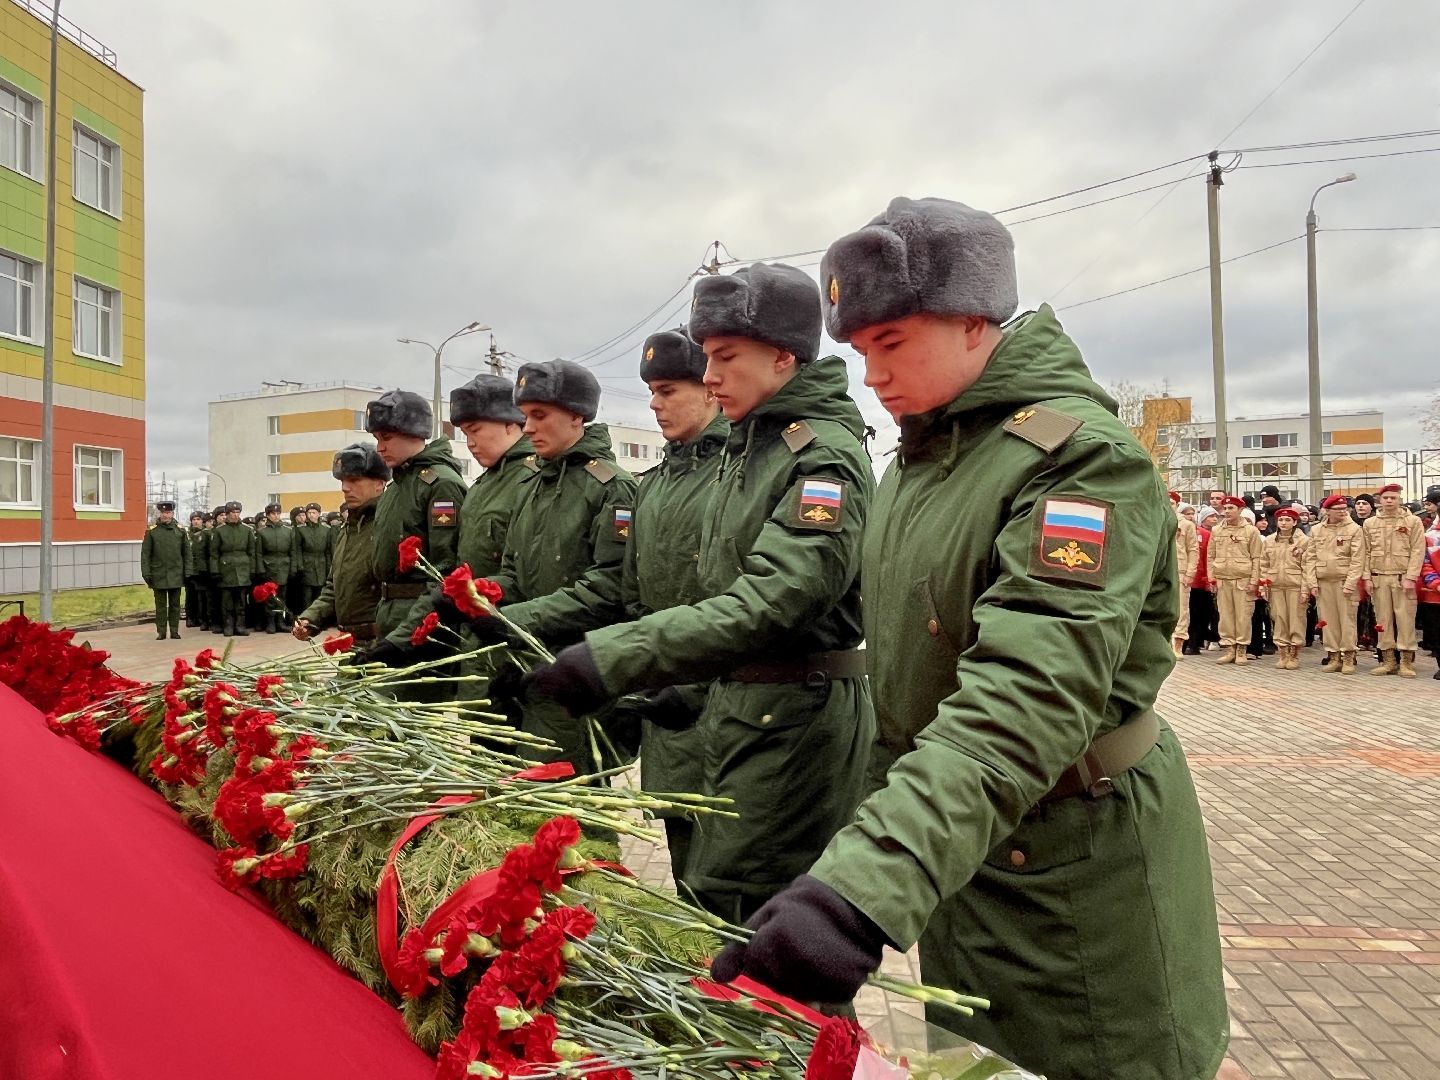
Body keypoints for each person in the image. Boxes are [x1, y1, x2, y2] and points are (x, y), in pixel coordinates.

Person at [707, 199, 1225, 1079]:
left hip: (1071, 871)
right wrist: (853, 864)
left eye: (894, 343)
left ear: (975, 321)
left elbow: (1027, 694)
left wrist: (861, 895)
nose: (871, 373)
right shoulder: (921, 465)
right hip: (967, 862)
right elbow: (905, 690)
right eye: (861, 349)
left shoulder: (1076, 462)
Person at [521, 263, 877, 925]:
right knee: (718, 905)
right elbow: (712, 590)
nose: (709, 376)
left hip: (792, 718)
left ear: (782, 355)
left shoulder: (818, 456)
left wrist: (614, 658)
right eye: (706, 358)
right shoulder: (754, 451)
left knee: (759, 923)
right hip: (741, 708)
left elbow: (775, 600)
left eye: (724, 357)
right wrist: (669, 696)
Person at [470, 360, 638, 772]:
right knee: (511, 799)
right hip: (521, 666)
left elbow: (608, 589)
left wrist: (510, 620)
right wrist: (475, 598)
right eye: (525, 417)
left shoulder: (613, 488)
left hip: (573, 675)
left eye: (539, 416)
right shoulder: (532, 486)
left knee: (567, 807)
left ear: (577, 415)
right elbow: (512, 570)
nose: (527, 428)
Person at [616, 327, 728, 888]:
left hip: (728, 704)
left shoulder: (738, 471)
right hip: (669, 703)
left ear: (710, 389)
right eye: (651, 393)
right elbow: (637, 590)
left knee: (732, 886)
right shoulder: (654, 486)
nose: (656, 405)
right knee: (685, 872)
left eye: (668, 391)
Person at [383, 373, 536, 689]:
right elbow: (459, 572)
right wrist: (402, 640)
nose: (471, 443)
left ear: (511, 423)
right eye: (465, 433)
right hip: (478, 640)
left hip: (517, 638)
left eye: (476, 430)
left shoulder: (533, 479)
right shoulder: (483, 487)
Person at [357, 390, 467, 677]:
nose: (380, 447)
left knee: (418, 707)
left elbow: (446, 568)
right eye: (377, 439)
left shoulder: (440, 484)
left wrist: (404, 636)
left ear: (414, 432)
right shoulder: (396, 489)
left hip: (423, 620)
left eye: (387, 437)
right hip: (392, 613)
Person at [294, 444, 390, 649]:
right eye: (343, 481)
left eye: (354, 480)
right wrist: (311, 619)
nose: (345, 488)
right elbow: (334, 587)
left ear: (380, 484)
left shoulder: (389, 525)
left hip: (383, 646)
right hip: (352, 644)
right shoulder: (349, 529)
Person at [1363, 482, 1425, 677]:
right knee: (1383, 620)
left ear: (1400, 499)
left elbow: (1417, 550)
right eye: (1386, 498)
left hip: (1402, 578)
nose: (1389, 501)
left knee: (1405, 619)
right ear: (1379, 501)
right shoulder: (1370, 523)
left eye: (1393, 498)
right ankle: (1388, 660)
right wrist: (1366, 577)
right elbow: (1364, 552)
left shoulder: (1412, 521)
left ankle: (1406, 661)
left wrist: (1411, 577)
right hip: (1378, 577)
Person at [1305, 494, 1366, 674]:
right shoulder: (1317, 530)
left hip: (1344, 581)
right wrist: (1312, 581)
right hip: (1324, 581)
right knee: (1328, 620)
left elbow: (1358, 559)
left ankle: (1348, 656)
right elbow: (1310, 557)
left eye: (1344, 508)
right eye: (1337, 509)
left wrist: (1351, 582)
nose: (1342, 512)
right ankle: (1333, 655)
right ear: (1327, 511)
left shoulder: (1354, 529)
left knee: (1347, 620)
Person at [1210, 495, 1264, 664]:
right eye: (1225, 508)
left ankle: (1241, 648)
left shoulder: (1250, 531)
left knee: (1243, 616)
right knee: (1225, 616)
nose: (1227, 511)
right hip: (1223, 578)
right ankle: (1229, 647)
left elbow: (1257, 557)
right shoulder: (1217, 530)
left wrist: (1254, 581)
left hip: (1243, 579)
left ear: (1240, 510)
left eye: (1231, 508)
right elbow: (1211, 555)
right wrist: (1212, 578)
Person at [1261, 507, 1308, 669]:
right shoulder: (1269, 541)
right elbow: (1264, 564)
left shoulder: (1303, 541)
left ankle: (1294, 654)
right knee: (1279, 618)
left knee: (1296, 619)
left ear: (1295, 522)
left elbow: (1307, 566)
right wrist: (1263, 584)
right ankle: (1283, 653)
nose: (1284, 523)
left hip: (1295, 585)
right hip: (1275, 585)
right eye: (1281, 520)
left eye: (1288, 520)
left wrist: (1305, 589)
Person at [141, 500, 190, 641]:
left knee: (175, 605)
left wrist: (187, 571)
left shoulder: (180, 531)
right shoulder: (152, 531)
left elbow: (186, 553)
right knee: (160, 605)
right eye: (163, 512)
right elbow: (146, 554)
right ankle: (161, 631)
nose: (165, 515)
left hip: (176, 573)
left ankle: (174, 630)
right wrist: (146, 572)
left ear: (172, 513)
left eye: (168, 512)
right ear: (160, 513)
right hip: (158, 573)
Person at [208, 501, 257, 637]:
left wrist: (252, 569)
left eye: (237, 512)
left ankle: (240, 626)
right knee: (227, 601)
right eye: (232, 513)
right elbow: (214, 553)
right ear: (227, 514)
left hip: (242, 568)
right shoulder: (219, 531)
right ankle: (228, 626)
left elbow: (252, 552)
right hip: (226, 568)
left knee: (241, 601)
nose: (235, 515)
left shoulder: (247, 530)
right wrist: (215, 570)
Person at [254, 503, 298, 634]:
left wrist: (293, 567)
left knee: (282, 597)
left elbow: (293, 551)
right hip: (269, 566)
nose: (276, 516)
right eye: (273, 514)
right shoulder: (262, 532)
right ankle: (271, 623)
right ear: (268, 515)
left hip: (284, 566)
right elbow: (258, 553)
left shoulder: (288, 531)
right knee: (270, 598)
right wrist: (261, 569)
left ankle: (281, 622)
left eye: (278, 513)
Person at [1171, 490, 1199, 658]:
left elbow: (1193, 549)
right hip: (1160, 570)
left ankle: (1178, 643)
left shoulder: (1186, 525)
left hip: (1180, 569)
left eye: (1172, 504)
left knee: (1181, 608)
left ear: (1177, 505)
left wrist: (1190, 572)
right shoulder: (1156, 521)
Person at [1186, 506, 1216, 654]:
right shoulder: (1177, 533)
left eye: (1192, 514)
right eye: (1187, 514)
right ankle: (1182, 644)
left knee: (1198, 614)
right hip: (1183, 580)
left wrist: (1207, 580)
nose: (1190, 516)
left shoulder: (1204, 534)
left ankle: (1195, 643)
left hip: (1199, 581)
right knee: (1185, 614)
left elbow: (1208, 558)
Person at [294, 502, 332, 615]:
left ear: (319, 514)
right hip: (307, 562)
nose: (311, 515)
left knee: (320, 594)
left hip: (321, 562)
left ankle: (319, 618)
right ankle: (306, 618)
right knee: (307, 594)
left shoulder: (326, 529)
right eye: (309, 513)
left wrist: (329, 566)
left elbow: (328, 550)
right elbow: (298, 548)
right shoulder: (300, 529)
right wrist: (300, 565)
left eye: (314, 512)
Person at [1419, 512, 1440, 679]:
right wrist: (1435, 583)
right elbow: (1425, 563)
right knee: (1437, 633)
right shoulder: (1430, 537)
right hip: (1435, 594)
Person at [184, 511, 209, 629]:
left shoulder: (205, 535)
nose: (196, 521)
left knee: (202, 597)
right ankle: (190, 617)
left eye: (198, 519)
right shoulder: (186, 535)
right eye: (193, 519)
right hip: (190, 570)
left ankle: (201, 617)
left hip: (201, 570)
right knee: (190, 596)